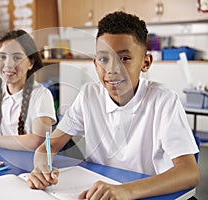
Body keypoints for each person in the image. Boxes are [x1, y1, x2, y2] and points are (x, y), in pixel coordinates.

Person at [28, 11, 200, 199]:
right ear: (95, 63)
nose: (112, 69)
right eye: (104, 59)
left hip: (149, 193)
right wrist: (41, 166)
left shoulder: (163, 101)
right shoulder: (88, 96)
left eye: (124, 58)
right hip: (100, 192)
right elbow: (49, 145)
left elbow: (189, 173)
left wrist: (125, 191)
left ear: (146, 62)